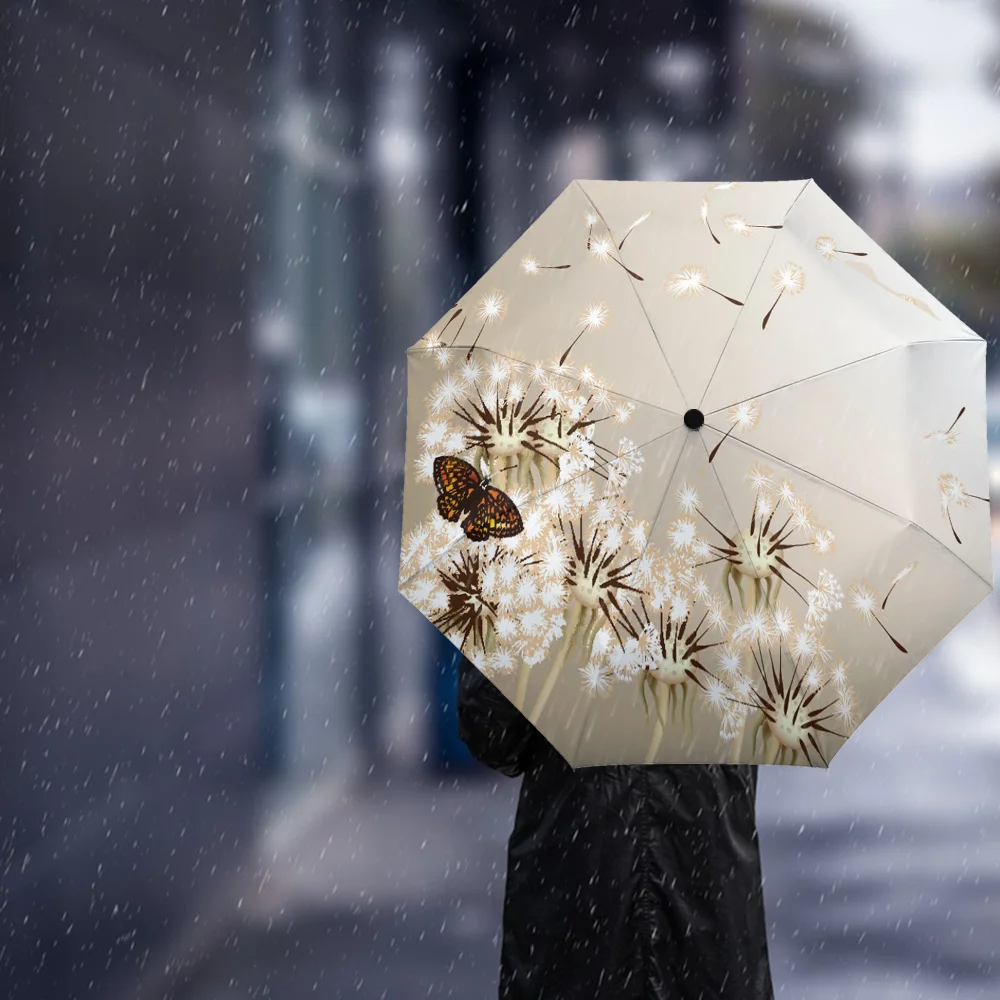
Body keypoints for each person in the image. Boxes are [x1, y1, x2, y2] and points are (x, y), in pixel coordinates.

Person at [456, 653, 775, 1000]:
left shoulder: (544, 602)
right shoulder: (741, 603)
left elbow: (491, 733)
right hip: (710, 885)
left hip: (577, 877)